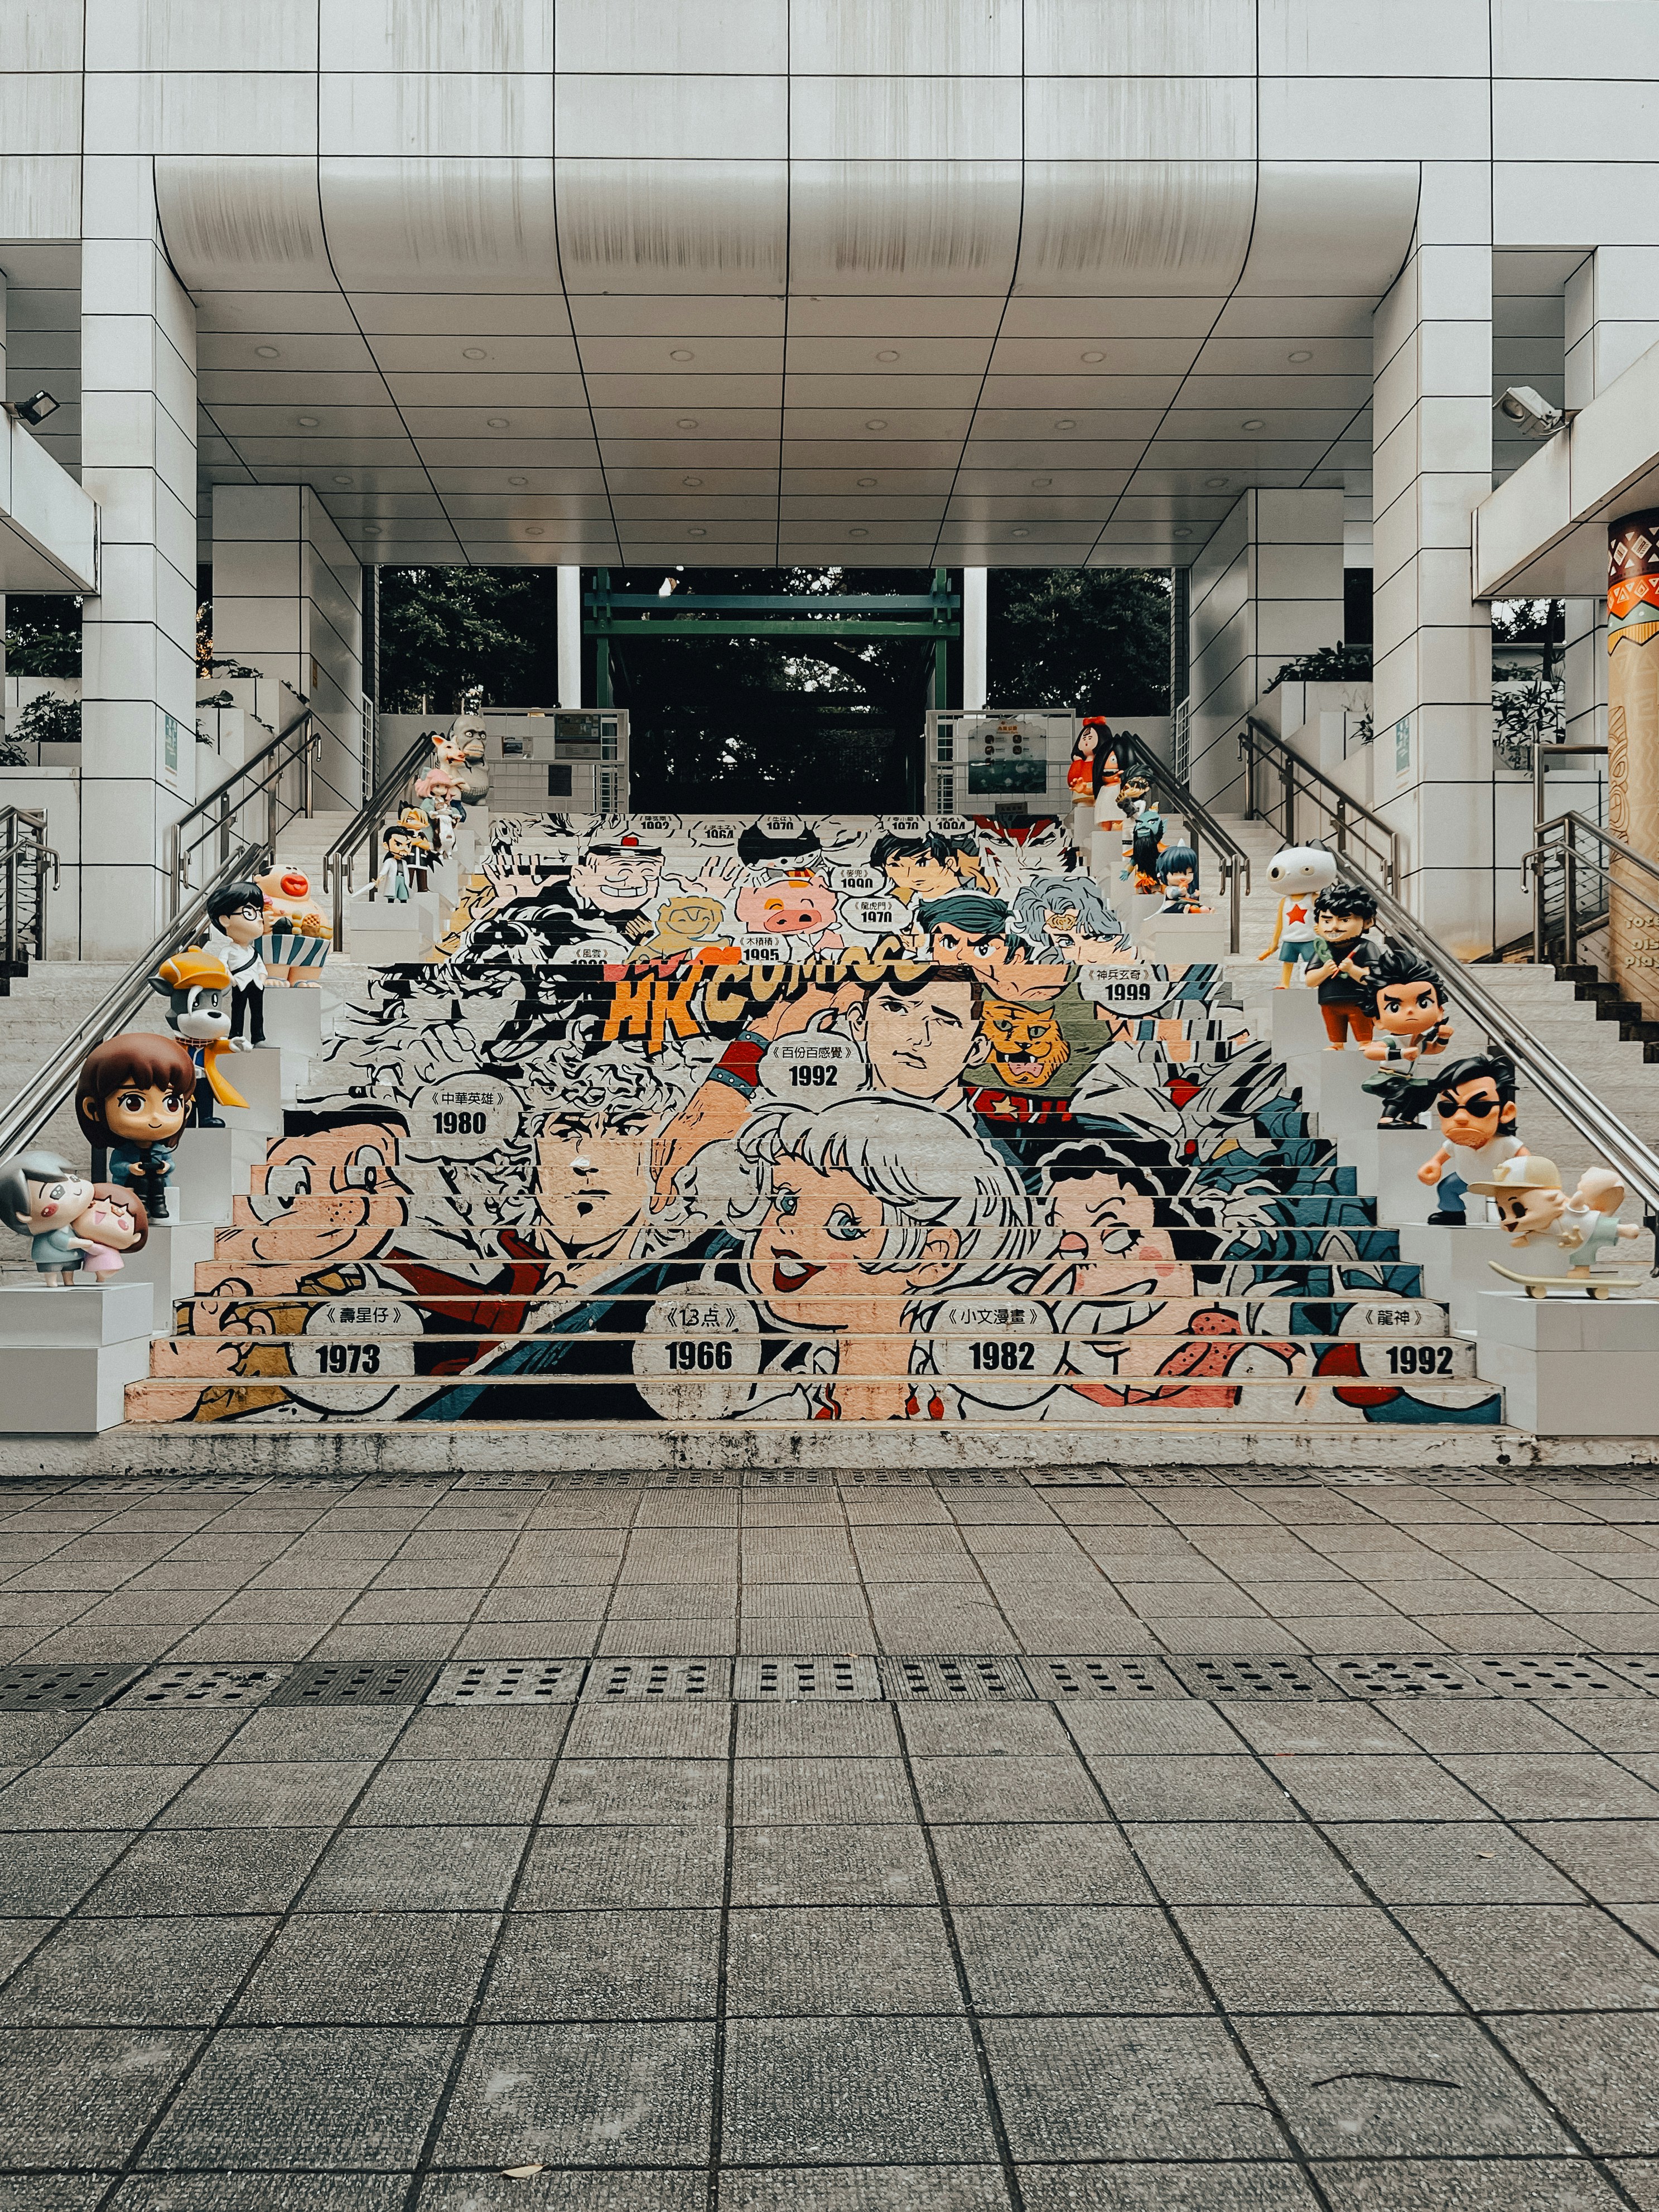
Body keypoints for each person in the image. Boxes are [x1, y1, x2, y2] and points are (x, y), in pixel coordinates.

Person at [735, 1093, 1038, 1421]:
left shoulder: (964, 1404)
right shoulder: (780, 1401)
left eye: (846, 1224)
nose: (790, 1228)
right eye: (786, 1201)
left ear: (932, 1258)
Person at [75, 1033, 197, 1221]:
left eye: (171, 1104)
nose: (156, 1117)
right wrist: (131, 1168)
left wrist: (165, 1166)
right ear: (93, 1110)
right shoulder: (125, 1150)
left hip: (158, 1181)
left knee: (156, 1179)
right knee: (140, 1181)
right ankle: (140, 1206)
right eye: (133, 1103)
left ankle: (158, 1205)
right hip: (130, 1185)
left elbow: (170, 1164)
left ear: (186, 1109)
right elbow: (117, 1166)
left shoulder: (161, 1149)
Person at [1418, 1054, 1526, 1224]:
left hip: (1502, 1183)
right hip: (1466, 1179)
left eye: (1479, 1107)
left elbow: (1526, 1160)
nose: (1460, 1117)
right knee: (1446, 1189)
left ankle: (1517, 1217)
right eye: (1448, 1107)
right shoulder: (1457, 1143)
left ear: (1506, 1113)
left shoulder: (1504, 1143)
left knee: (1511, 1200)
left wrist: (1528, 1177)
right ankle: (1453, 1214)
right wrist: (1434, 1164)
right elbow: (1441, 1156)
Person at [1359, 947, 1455, 1129]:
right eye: (1395, 1007)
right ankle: (1386, 1120)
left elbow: (1434, 1049)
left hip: (1407, 1078)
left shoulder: (1419, 1040)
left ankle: (1407, 1119)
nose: (1411, 1011)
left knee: (1428, 1089)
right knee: (1402, 1090)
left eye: (1423, 1003)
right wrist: (1402, 1053)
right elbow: (1371, 1052)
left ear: (1439, 1012)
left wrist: (1443, 1038)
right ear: (1378, 1020)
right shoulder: (1392, 1040)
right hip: (1386, 1080)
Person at [1303, 882, 1381, 1050]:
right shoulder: (1322, 949)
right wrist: (1324, 971)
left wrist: (1353, 970)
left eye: (1345, 920)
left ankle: (1365, 1042)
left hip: (1360, 1000)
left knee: (1362, 1025)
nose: (1335, 926)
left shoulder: (1367, 947)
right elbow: (1310, 981)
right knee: (1334, 1025)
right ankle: (1337, 1044)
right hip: (1330, 1001)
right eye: (1327, 920)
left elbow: (1374, 978)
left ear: (1367, 922)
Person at [0, 1153, 98, 1285]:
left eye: (74, 1179)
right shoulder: (53, 1234)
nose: (77, 1190)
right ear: (24, 1216)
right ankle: (52, 1283)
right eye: (57, 1192)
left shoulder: (69, 1225)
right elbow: (61, 1242)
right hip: (51, 1257)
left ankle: (69, 1281)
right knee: (52, 1271)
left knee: (69, 1270)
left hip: (71, 1257)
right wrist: (81, 1243)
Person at [200, 878, 268, 1045]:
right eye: (249, 912)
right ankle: (236, 1035)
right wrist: (233, 980)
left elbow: (262, 968)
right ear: (226, 920)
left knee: (257, 1012)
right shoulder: (228, 950)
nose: (260, 919)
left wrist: (262, 979)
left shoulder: (253, 952)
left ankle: (258, 1037)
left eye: (259, 912)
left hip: (255, 984)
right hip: (240, 983)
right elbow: (222, 966)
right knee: (238, 1010)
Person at [74, 1186, 149, 1278]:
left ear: (136, 1237)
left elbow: (92, 1248)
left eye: (118, 1213)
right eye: (91, 1206)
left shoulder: (104, 1249)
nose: (102, 1212)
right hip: (101, 1261)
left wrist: (83, 1244)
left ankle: (101, 1278)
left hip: (107, 1264)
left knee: (101, 1271)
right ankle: (100, 1278)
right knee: (100, 1271)